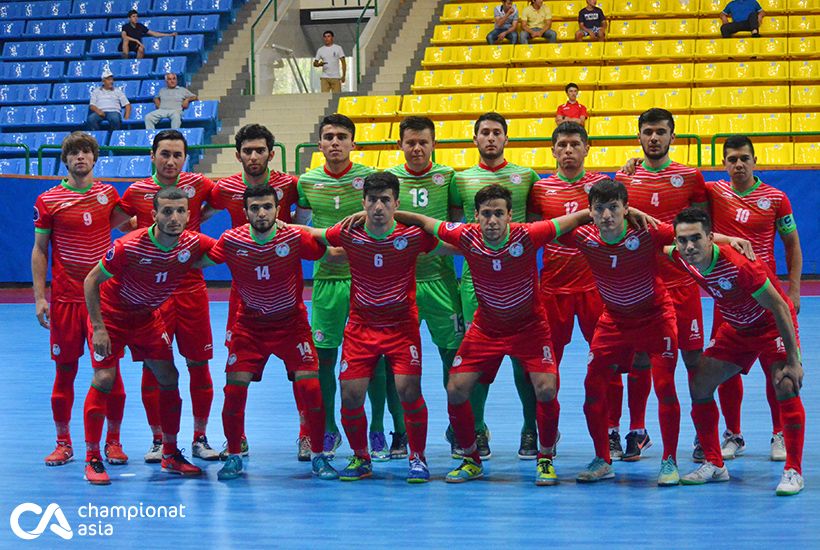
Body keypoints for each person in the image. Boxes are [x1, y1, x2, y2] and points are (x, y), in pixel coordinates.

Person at [392, 184, 598, 485]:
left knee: (546, 389)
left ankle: (545, 459)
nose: (492, 220)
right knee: (456, 388)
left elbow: (575, 220)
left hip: (530, 328)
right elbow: (426, 223)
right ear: (476, 216)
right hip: (487, 328)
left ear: (509, 215)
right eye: (486, 214)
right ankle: (471, 459)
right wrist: (387, 212)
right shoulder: (466, 235)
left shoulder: (528, 234)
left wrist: (620, 211)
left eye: (498, 213)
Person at [559, 180, 749, 485]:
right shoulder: (584, 236)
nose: (607, 215)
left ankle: (669, 460)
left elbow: (689, 237)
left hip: (655, 318)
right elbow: (544, 229)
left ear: (625, 208)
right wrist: (585, 215)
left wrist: (731, 240)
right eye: (600, 209)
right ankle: (602, 459)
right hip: (614, 321)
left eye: (614, 208)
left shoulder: (646, 231)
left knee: (665, 387)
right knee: (592, 388)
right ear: (591, 212)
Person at [302, 172, 441, 483]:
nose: (379, 207)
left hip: (401, 327)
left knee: (409, 390)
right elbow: (314, 234)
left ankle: (417, 457)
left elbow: (450, 239)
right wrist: (281, 228)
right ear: (363, 202)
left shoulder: (413, 235)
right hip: (360, 327)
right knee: (350, 396)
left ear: (396, 203)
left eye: (386, 200)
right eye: (373, 200)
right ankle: (361, 457)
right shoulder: (350, 233)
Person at [197, 185, 338, 481]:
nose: (262, 213)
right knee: (233, 391)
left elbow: (327, 249)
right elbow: (199, 259)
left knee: (311, 387)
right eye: (255, 208)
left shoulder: (294, 237)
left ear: (277, 209)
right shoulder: (232, 240)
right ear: (245, 212)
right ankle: (234, 455)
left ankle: (318, 456)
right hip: (250, 327)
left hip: (292, 325)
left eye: (267, 207)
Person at [82, 186, 214, 484]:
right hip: (112, 316)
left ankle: (169, 453)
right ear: (153, 215)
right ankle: (92, 458)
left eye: (180, 211)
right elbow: (91, 280)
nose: (174, 217)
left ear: (189, 214)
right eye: (167, 211)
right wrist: (99, 327)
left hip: (146, 318)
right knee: (104, 378)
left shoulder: (192, 243)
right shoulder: (129, 245)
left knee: (169, 375)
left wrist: (282, 227)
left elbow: (229, 246)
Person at [669, 207, 805, 496]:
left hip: (770, 325)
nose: (689, 246)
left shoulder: (739, 265)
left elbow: (780, 307)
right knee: (699, 383)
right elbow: (654, 236)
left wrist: (794, 361)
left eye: (696, 239)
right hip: (737, 329)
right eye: (683, 240)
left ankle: (793, 470)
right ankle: (715, 464)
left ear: (710, 239)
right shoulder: (682, 257)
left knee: (786, 383)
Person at [612, 108, 708, 461]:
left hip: (683, 286)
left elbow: (703, 232)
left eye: (660, 132)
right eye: (648, 132)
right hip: (642, 289)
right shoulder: (625, 181)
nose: (654, 138)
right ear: (638, 137)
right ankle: (637, 430)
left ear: (673, 136)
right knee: (639, 359)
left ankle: (703, 434)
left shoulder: (691, 178)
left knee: (693, 359)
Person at [33, 132, 133, 468]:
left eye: (86, 152)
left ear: (94, 158)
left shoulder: (108, 194)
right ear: (65, 160)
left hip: (104, 302)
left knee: (110, 372)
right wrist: (39, 298)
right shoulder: (49, 200)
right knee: (64, 373)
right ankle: (63, 444)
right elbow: (40, 250)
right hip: (64, 302)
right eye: (74, 153)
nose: (80, 157)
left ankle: (113, 443)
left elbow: (128, 227)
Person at [119, 130, 218, 463]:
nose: (171, 161)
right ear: (152, 156)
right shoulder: (136, 192)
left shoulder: (199, 185)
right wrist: (139, 235)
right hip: (152, 294)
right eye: (165, 154)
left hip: (191, 288)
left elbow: (218, 203)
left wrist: (199, 220)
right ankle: (159, 439)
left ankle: (200, 437)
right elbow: (119, 222)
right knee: (154, 367)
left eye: (178, 154)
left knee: (198, 363)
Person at [203, 123, 301, 460]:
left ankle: (306, 436)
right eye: (248, 150)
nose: (254, 156)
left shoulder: (290, 185)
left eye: (260, 150)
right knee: (236, 367)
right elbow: (197, 217)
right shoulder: (225, 188)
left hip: (286, 291)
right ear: (238, 155)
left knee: (301, 370)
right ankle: (236, 438)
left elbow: (306, 221)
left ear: (272, 154)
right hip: (244, 292)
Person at [704, 135, 802, 462]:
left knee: (774, 365)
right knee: (727, 367)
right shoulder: (714, 192)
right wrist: (631, 166)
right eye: (732, 159)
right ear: (724, 164)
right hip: (728, 296)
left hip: (767, 294)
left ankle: (779, 434)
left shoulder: (776, 198)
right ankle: (733, 434)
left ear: (755, 160)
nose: (739, 164)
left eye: (744, 158)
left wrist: (794, 289)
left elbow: (791, 245)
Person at [449, 112, 540, 460]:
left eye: (496, 132)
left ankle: (530, 429)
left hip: (520, 282)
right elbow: (458, 231)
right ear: (474, 139)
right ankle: (477, 429)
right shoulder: (460, 180)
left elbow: (534, 228)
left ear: (506, 138)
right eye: (484, 132)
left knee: (523, 360)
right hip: (476, 283)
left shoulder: (527, 177)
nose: (490, 138)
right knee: (479, 362)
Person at [376, 116, 464, 460]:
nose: (416, 148)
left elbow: (455, 225)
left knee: (453, 357)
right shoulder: (387, 180)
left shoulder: (449, 178)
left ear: (433, 144)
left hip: (440, 282)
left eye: (423, 142)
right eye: (410, 142)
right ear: (400, 145)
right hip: (398, 285)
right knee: (394, 361)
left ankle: (458, 428)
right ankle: (400, 432)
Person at [295, 114, 375, 456]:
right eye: (328, 136)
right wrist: (322, 253)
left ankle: (378, 428)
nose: (335, 142)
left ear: (353, 143)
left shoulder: (370, 179)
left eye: (342, 136)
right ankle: (327, 427)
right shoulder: (308, 182)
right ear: (319, 145)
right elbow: (299, 231)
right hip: (327, 282)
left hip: (367, 281)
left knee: (376, 358)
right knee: (324, 357)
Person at [526, 122, 607, 428]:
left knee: (606, 362)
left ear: (587, 148)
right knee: (547, 366)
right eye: (562, 145)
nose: (569, 150)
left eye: (575, 144)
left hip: (594, 288)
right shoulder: (541, 189)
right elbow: (532, 237)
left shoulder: (602, 186)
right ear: (553, 150)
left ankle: (611, 430)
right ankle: (547, 432)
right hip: (553, 290)